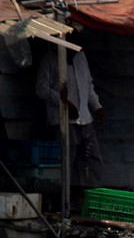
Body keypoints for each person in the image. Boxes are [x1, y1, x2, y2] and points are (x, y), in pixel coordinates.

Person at [35, 32, 105, 191]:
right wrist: (64, 103)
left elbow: (88, 85)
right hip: (63, 120)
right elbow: (41, 89)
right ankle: (63, 200)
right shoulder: (50, 60)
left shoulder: (80, 57)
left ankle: (90, 195)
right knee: (65, 162)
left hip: (85, 119)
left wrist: (97, 107)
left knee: (93, 159)